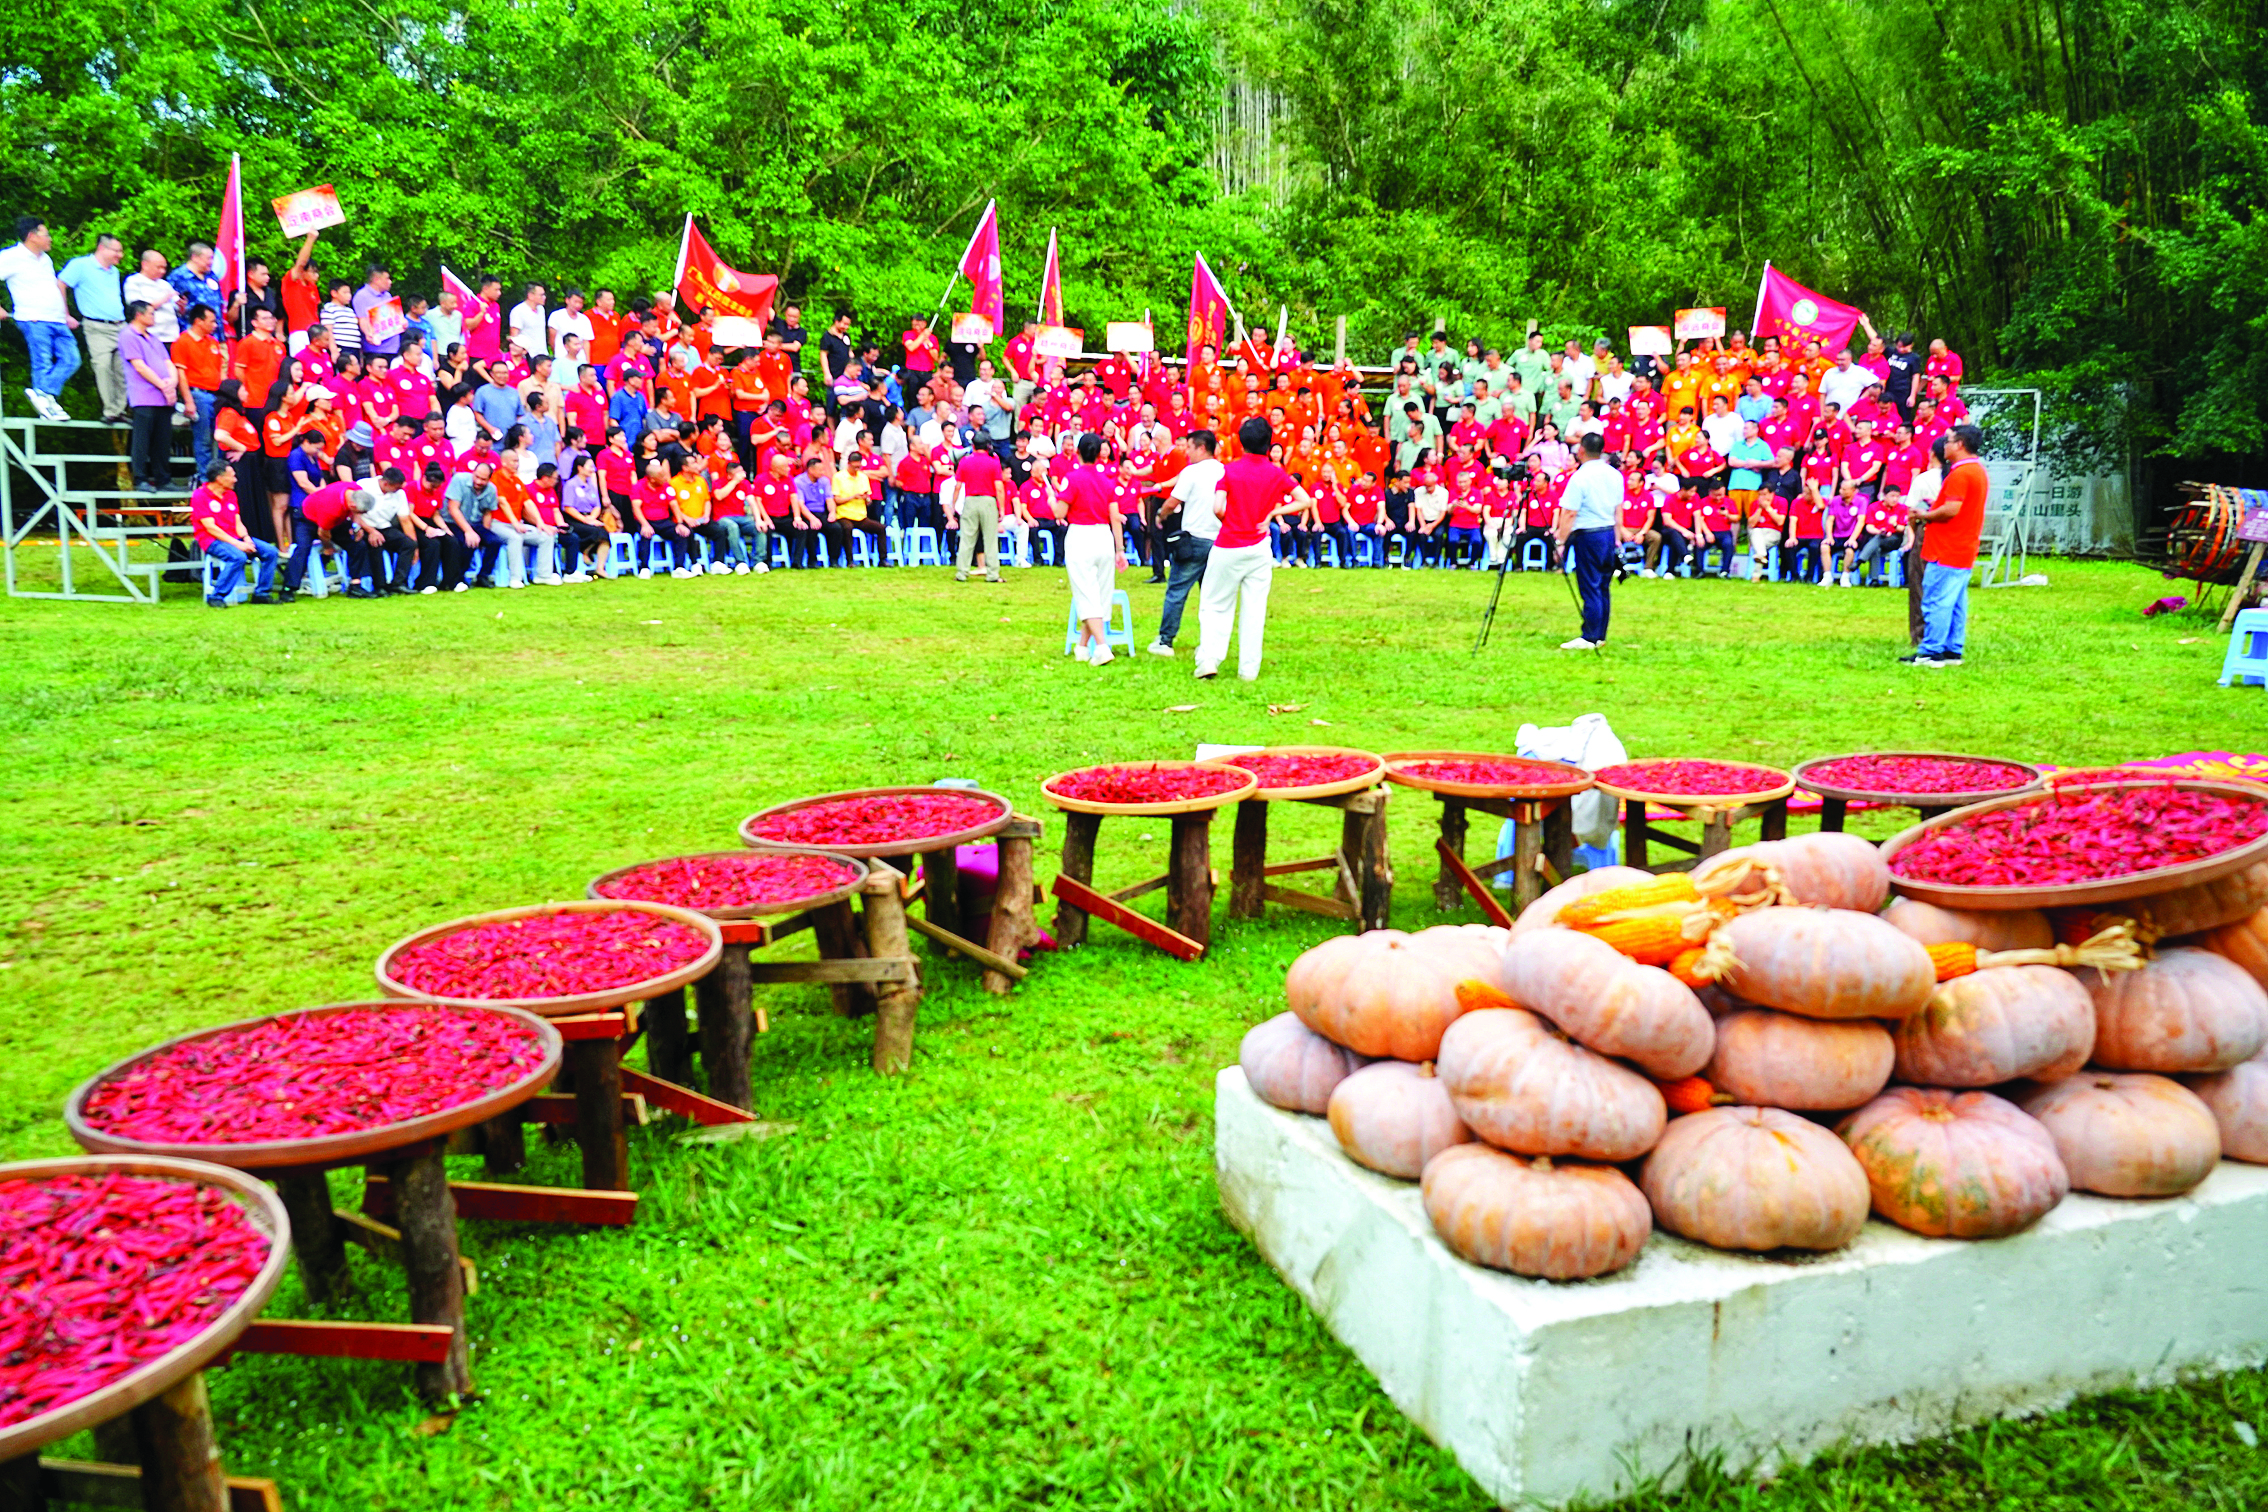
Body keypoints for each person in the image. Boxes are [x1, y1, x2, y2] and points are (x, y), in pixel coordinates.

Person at [1194, 416, 1310, 681]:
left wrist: (1228, 520)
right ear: (1269, 445)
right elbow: (1305, 500)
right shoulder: (1275, 472)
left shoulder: (1230, 470)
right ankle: (1248, 670)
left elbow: (1217, 507)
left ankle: (1209, 658)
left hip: (1228, 545)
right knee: (1254, 609)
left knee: (1214, 604)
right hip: (1258, 548)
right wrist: (1273, 513)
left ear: (1241, 441)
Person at [1907, 424, 1987, 667]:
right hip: (1963, 546)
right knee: (1955, 602)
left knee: (1936, 600)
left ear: (1960, 444)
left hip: (1947, 547)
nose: (1945, 445)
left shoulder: (1960, 474)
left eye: (1949, 440)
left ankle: (1932, 650)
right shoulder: (1977, 471)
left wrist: (1925, 514)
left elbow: (1952, 509)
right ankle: (1953, 649)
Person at [1059, 433, 1130, 664]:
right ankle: (1082, 647)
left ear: (1078, 452)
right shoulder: (1107, 481)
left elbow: (1059, 513)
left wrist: (1053, 498)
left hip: (1081, 535)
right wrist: (1120, 549)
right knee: (1098, 594)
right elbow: (1115, 517)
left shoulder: (1072, 478)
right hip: (1104, 537)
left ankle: (1101, 646)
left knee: (1086, 594)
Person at [0, 217, 79, 420]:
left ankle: (43, 394)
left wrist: (66, 314)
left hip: (57, 319)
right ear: (32, 236)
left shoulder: (46, 259)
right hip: (33, 319)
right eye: (46, 234)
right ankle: (46, 402)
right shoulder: (11, 256)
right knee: (42, 363)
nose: (50, 239)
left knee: (72, 359)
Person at [1553, 432, 1621, 650]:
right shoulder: (1615, 474)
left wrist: (1561, 541)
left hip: (1589, 533)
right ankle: (1600, 633)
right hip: (1608, 531)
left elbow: (1570, 512)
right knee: (1602, 586)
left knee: (1590, 585)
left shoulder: (1580, 477)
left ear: (1581, 450)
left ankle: (1589, 635)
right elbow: (1618, 508)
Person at [59, 232, 127, 422]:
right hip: (97, 326)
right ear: (101, 248)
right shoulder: (80, 265)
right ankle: (110, 410)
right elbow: (60, 284)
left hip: (120, 325)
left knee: (123, 369)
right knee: (103, 366)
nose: (120, 255)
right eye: (117, 251)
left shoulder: (114, 271)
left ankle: (119, 409)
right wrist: (65, 314)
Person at [191, 462, 280, 605]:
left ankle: (262, 593)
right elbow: (211, 528)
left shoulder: (231, 494)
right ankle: (217, 596)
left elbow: (238, 521)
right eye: (232, 476)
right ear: (220, 478)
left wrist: (246, 538)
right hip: (211, 540)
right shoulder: (200, 496)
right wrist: (238, 544)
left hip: (235, 537)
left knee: (271, 552)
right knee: (238, 557)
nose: (235, 479)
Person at [118, 300, 181, 492]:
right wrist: (163, 385)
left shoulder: (153, 337)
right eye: (151, 313)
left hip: (164, 396)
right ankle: (140, 478)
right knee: (142, 438)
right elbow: (139, 366)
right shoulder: (128, 335)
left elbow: (168, 361)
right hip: (144, 395)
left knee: (162, 439)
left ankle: (163, 478)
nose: (154, 317)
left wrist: (172, 383)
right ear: (139, 315)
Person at [949, 438, 1006, 583]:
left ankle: (962, 573)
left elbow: (958, 486)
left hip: (970, 501)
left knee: (967, 538)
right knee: (990, 540)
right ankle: (993, 574)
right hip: (988, 501)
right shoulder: (993, 462)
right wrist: (1002, 508)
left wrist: (953, 504)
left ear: (973, 446)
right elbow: (999, 487)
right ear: (987, 447)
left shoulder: (965, 461)